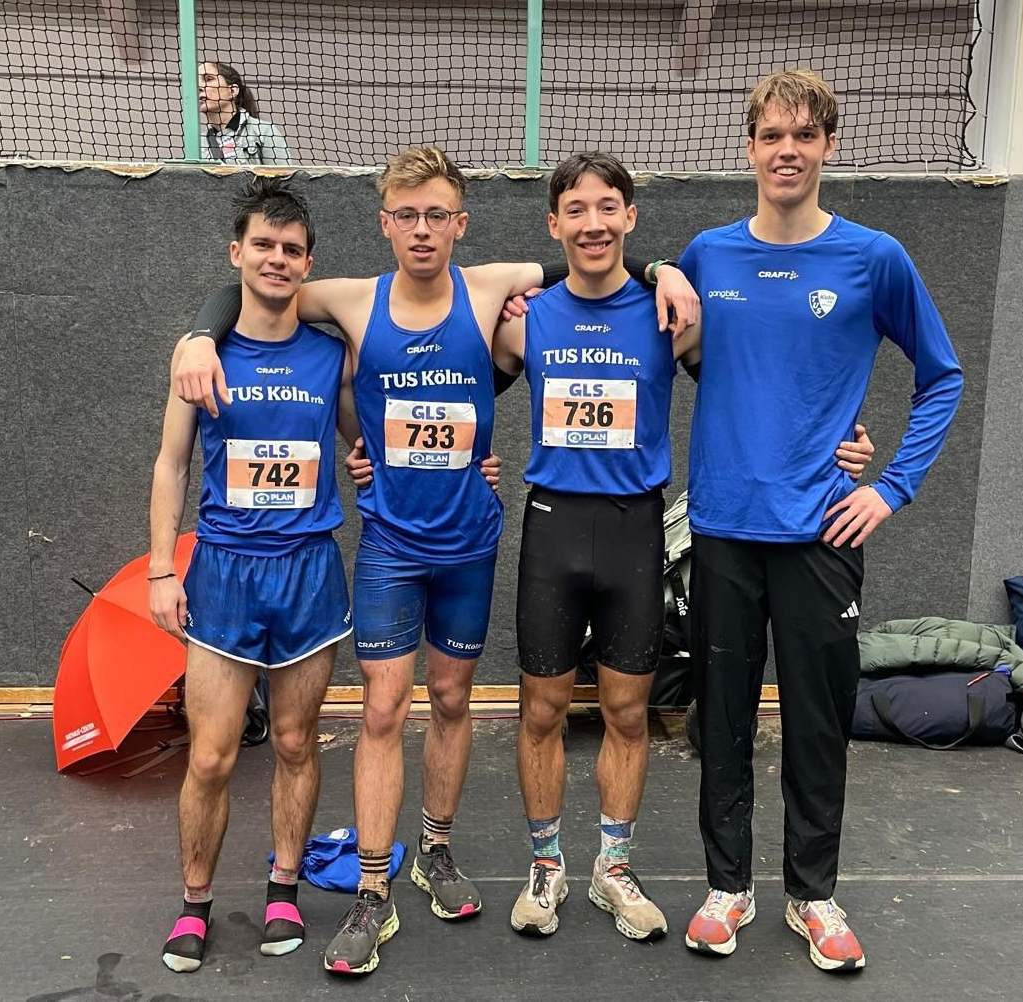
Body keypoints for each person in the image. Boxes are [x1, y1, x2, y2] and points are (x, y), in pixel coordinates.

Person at [171, 146, 699, 975]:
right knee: (383, 709)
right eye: (407, 215)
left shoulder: (489, 289)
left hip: (470, 542)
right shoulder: (350, 298)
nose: (422, 229)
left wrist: (660, 267)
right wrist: (200, 334)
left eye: (437, 215)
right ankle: (371, 890)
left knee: (452, 699)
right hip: (389, 544)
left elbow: (590, 250)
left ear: (460, 223)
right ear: (385, 224)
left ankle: (436, 852)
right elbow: (259, 289)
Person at [346, 152, 874, 943]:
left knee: (628, 711)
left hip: (633, 529)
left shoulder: (670, 315)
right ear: (552, 224)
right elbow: (438, 390)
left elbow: (755, 387)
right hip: (552, 528)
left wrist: (839, 441)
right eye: (575, 210)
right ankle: (546, 865)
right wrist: (370, 453)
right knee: (540, 711)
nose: (591, 223)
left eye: (606, 208)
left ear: (629, 217)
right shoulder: (521, 320)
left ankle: (612, 869)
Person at [678, 69, 964, 972]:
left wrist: (889, 486)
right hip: (723, 528)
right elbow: (679, 356)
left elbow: (942, 376)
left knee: (814, 722)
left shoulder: (873, 257)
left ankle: (811, 895)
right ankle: (726, 888)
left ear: (829, 146)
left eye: (804, 135)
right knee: (722, 720)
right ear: (749, 148)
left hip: (822, 534)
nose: (787, 151)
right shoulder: (705, 256)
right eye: (771, 135)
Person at [149, 176, 357, 972]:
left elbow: (365, 443)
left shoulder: (331, 356)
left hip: (308, 573)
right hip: (226, 574)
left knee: (297, 742)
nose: (277, 258)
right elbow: (171, 465)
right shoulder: (199, 356)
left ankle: (283, 889)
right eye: (263, 245)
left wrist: (463, 466)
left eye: (291, 249)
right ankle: (194, 902)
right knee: (210, 756)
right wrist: (161, 570)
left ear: (308, 263)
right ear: (236, 253)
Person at [199, 61, 290, 165]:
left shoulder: (264, 131)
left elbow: (283, 175)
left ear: (232, 91)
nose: (199, 86)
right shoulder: (198, 145)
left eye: (209, 79)